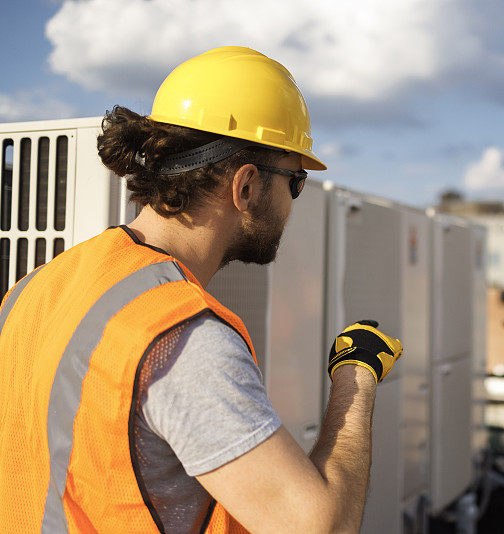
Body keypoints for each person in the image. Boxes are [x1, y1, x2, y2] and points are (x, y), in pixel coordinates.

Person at [0, 46, 402, 533]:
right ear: (246, 186)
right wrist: (355, 378)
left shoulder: (34, 288)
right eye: (295, 182)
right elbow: (320, 527)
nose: (295, 202)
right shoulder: (181, 337)